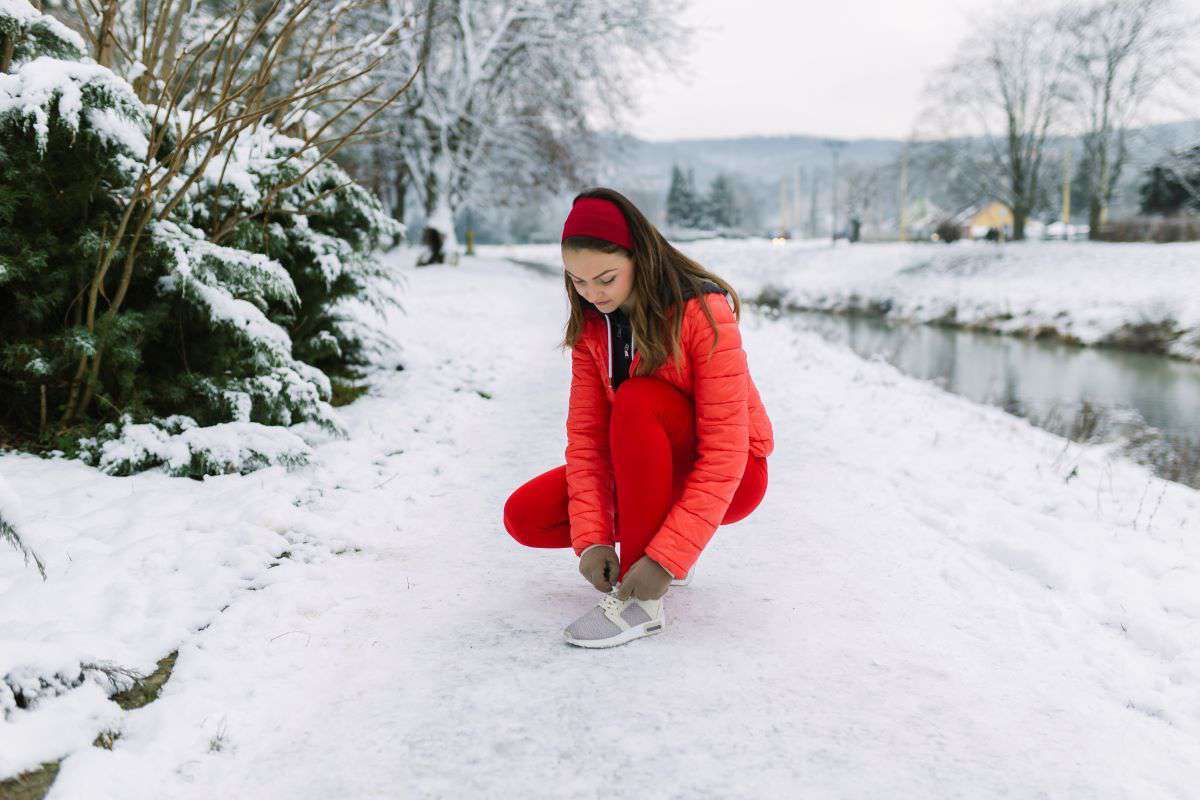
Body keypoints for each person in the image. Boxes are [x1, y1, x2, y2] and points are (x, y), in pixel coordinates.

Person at [502, 187, 775, 648]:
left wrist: (663, 561)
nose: (593, 294)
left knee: (638, 398)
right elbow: (587, 440)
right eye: (579, 282)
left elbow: (727, 450)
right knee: (524, 516)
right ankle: (650, 550)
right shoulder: (591, 329)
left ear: (639, 257)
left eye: (606, 279)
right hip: (645, 466)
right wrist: (592, 540)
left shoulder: (702, 313)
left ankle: (641, 603)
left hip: (736, 474)